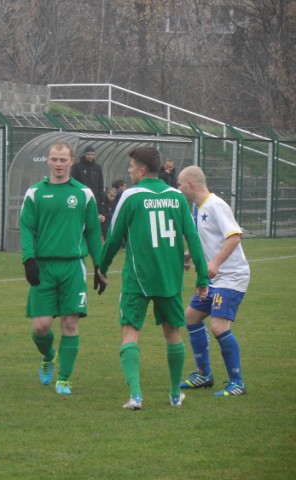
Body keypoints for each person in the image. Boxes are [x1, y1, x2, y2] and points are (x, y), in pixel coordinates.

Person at [99, 146, 209, 410]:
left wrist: (101, 267)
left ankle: (136, 396)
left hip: (138, 278)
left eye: (131, 166)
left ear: (142, 170)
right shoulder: (177, 197)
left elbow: (114, 237)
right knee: (173, 334)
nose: (128, 170)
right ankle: (174, 394)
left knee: (129, 332)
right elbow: (193, 238)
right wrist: (202, 277)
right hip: (169, 278)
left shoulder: (131, 196)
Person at [19, 141, 106, 396]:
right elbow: (25, 227)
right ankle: (48, 355)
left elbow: (92, 232)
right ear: (48, 161)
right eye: (54, 160)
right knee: (41, 327)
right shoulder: (35, 193)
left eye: (63, 160)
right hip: (44, 267)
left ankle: (64, 379)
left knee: (70, 324)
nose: (58, 164)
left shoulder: (83, 194)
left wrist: (99, 264)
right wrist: (29, 259)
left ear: (71, 162)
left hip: (72, 267)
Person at [177, 166, 249, 397]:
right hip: (215, 279)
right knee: (191, 317)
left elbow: (234, 237)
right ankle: (204, 375)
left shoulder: (216, 205)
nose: (178, 189)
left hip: (231, 276)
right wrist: (189, 255)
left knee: (218, 326)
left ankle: (237, 382)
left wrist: (216, 263)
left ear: (190, 185)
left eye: (180, 184)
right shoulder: (198, 209)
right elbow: (208, 240)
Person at [71, 145, 107, 228]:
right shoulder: (77, 167)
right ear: (84, 154)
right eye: (88, 154)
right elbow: (73, 182)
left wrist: (101, 201)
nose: (90, 156)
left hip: (94, 198)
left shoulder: (97, 168)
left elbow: (100, 185)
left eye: (92, 154)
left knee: (93, 221)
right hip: (81, 197)